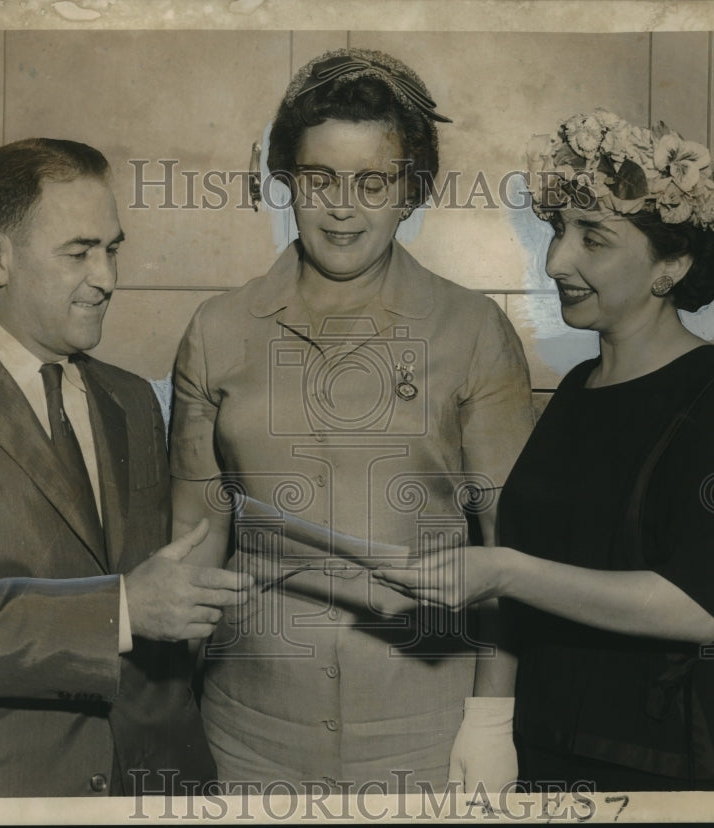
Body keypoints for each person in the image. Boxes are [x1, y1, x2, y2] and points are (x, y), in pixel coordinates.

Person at [374, 109, 714, 790]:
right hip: (556, 753)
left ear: (673, 264)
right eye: (557, 231)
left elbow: (703, 607)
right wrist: (491, 725)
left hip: (676, 767)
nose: (556, 260)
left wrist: (504, 571)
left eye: (593, 238)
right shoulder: (580, 386)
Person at [170, 48, 535, 792]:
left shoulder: (472, 330)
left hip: (425, 732)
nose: (344, 205)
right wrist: (170, 711)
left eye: (374, 182)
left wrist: (492, 721)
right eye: (319, 178)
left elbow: (510, 551)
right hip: (247, 732)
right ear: (287, 182)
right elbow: (192, 552)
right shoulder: (217, 331)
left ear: (411, 193)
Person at [0, 138, 251, 798]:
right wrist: (123, 608)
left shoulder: (133, 399)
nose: (106, 277)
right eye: (79, 252)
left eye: (112, 248)